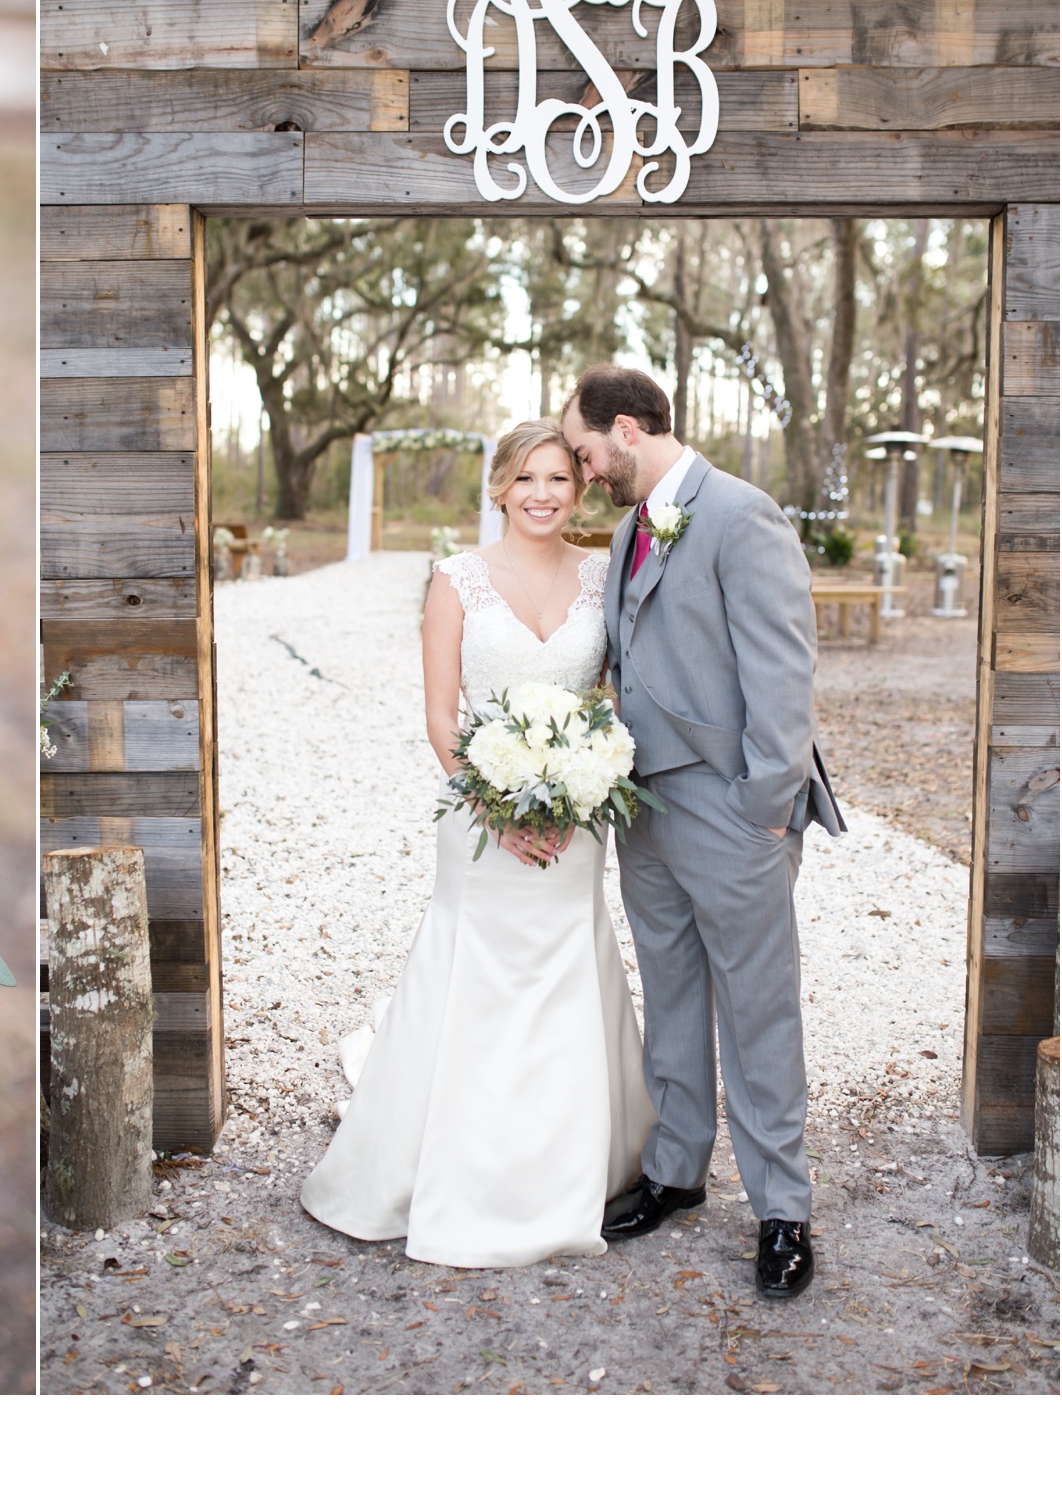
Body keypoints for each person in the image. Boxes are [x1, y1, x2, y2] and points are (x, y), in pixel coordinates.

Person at [300, 420, 655, 1268]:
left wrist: (589, 775)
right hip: (481, 818)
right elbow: (439, 716)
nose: (543, 494)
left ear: (578, 490)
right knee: (475, 970)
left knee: (569, 966)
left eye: (560, 480)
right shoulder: (456, 580)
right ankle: (450, 1164)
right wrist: (493, 809)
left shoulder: (604, 573)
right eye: (527, 479)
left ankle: (571, 1163)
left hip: (575, 818)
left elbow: (610, 698)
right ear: (499, 487)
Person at [561, 364, 843, 1301]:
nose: (586, 469)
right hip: (645, 809)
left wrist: (766, 807)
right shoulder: (633, 526)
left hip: (732, 811)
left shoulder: (741, 514)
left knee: (759, 1006)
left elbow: (781, 672)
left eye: (589, 451)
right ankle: (677, 1173)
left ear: (630, 429)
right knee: (671, 992)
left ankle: (782, 1210)